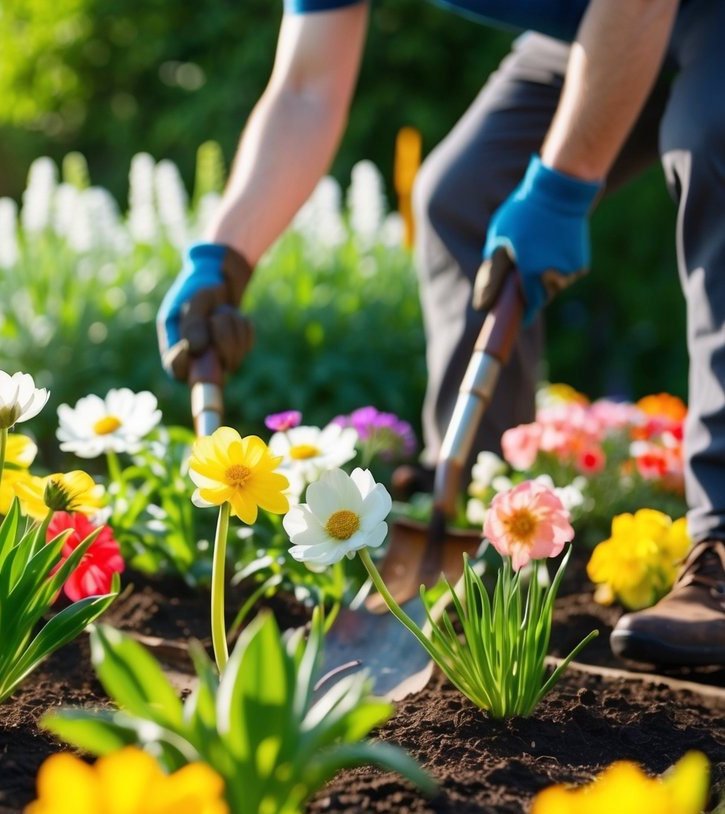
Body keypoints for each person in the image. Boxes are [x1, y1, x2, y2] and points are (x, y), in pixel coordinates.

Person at [156, 0, 725, 667]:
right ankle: (481, 526)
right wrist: (221, 258)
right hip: (595, 24)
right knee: (463, 193)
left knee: (712, 135)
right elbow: (307, 87)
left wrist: (563, 189)